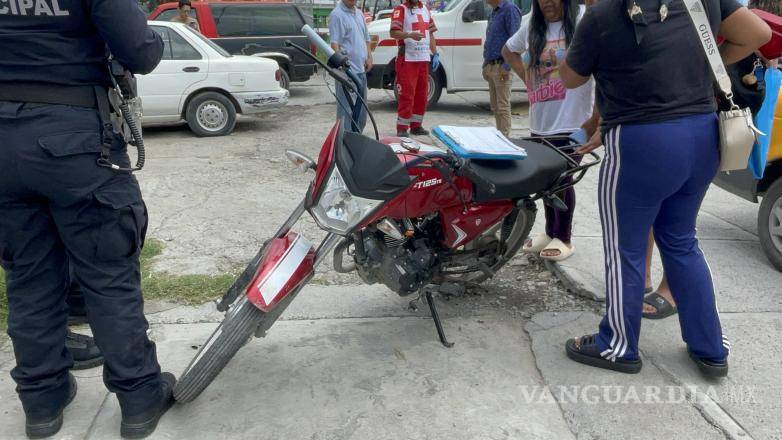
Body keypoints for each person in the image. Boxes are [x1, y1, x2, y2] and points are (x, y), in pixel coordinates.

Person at [559, 0, 770, 377]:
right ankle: (710, 348)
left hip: (641, 142)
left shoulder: (602, 13)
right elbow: (759, 34)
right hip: (702, 135)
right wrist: (707, 66)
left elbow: (570, 78)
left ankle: (618, 346)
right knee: (681, 238)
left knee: (625, 247)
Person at [0, 0, 177, 438]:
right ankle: (139, 398)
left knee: (28, 278)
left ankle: (42, 402)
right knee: (108, 275)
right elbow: (143, 52)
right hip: (76, 141)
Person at [502, 0, 597, 262]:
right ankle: (549, 232)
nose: (547, 3)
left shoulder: (583, 17)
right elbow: (508, 50)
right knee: (546, 182)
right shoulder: (532, 24)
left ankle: (564, 237)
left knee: (562, 178)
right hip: (541, 122)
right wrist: (526, 77)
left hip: (573, 121)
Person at [390, 0, 438, 137]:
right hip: (407, 58)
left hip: (423, 58)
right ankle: (402, 128)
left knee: (422, 94)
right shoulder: (401, 9)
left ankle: (416, 125)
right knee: (406, 94)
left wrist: (435, 53)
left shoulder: (426, 10)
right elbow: (393, 33)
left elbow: (431, 34)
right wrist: (409, 35)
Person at [329, 0, 373, 133]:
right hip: (347, 73)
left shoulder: (359, 14)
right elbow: (334, 44)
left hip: (361, 71)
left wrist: (369, 57)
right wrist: (342, 69)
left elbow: (367, 39)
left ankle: (356, 143)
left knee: (361, 113)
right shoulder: (337, 15)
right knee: (346, 114)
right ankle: (344, 147)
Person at [483, 0, 522, 137]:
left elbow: (516, 40)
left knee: (503, 107)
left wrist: (507, 66)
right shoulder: (494, 12)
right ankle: (500, 137)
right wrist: (486, 64)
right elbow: (490, 39)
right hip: (491, 65)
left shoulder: (510, 9)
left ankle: (505, 139)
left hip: (502, 66)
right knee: (495, 107)